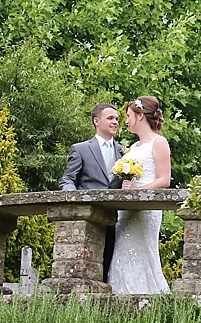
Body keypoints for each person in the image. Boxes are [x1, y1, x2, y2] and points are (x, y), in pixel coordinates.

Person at [108, 96, 171, 295]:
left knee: (143, 252)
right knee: (122, 252)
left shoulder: (159, 142)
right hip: (126, 210)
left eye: (129, 116)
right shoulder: (133, 148)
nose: (125, 121)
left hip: (146, 210)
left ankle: (150, 298)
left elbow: (164, 180)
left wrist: (138, 191)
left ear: (141, 116)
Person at [58, 103, 124, 282]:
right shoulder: (81, 149)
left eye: (117, 119)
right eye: (110, 118)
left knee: (111, 264)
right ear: (97, 121)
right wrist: (72, 198)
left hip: (116, 218)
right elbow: (67, 179)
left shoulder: (124, 152)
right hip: (89, 217)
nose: (115, 122)